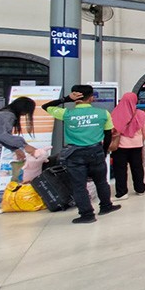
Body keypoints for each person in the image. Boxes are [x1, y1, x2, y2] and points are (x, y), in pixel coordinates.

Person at [42, 86, 121, 224]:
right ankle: (106, 206)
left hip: (75, 154)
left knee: (79, 185)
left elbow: (45, 106)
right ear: (91, 98)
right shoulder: (103, 113)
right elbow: (108, 135)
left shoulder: (66, 114)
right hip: (96, 151)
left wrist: (66, 99)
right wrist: (103, 151)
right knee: (101, 181)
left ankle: (87, 214)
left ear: (75, 98)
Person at [110, 92, 145, 199]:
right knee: (137, 168)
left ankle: (122, 192)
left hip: (120, 146)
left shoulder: (115, 113)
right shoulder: (141, 114)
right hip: (136, 145)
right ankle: (140, 188)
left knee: (120, 169)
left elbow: (111, 130)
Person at [0, 97, 37, 161]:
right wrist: (24, 145)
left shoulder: (2, 114)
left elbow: (0, 136)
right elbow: (3, 135)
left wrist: (15, 149)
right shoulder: (6, 115)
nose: (25, 114)